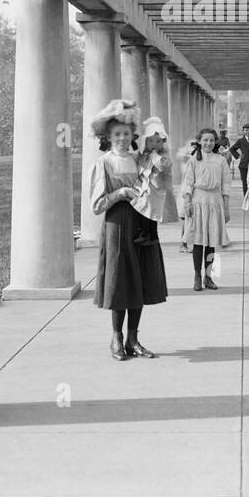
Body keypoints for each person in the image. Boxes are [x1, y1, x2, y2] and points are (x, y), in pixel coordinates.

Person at [89, 99, 167, 361]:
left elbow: (159, 173)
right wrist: (120, 192)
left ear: (133, 136)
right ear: (108, 137)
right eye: (117, 135)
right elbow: (97, 205)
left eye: (126, 134)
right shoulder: (104, 163)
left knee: (140, 280)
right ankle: (116, 337)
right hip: (118, 224)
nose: (122, 139)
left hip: (141, 222)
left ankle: (134, 338)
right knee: (120, 280)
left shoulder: (139, 158)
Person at [180, 127, 232, 291]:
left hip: (215, 201)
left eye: (211, 140)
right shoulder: (194, 160)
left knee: (212, 242)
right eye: (205, 140)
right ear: (200, 142)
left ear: (215, 142)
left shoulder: (221, 160)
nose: (208, 143)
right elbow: (188, 183)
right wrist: (187, 203)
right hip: (198, 201)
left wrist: (226, 207)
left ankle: (209, 276)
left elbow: (226, 185)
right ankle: (196, 275)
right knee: (198, 242)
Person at [132, 116, 180, 229]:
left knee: (152, 219)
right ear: (145, 141)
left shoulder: (163, 156)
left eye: (158, 141)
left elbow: (163, 167)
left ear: (163, 142)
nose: (154, 144)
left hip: (158, 192)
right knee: (142, 218)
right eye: (150, 141)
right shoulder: (142, 156)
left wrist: (154, 156)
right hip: (143, 192)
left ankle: (150, 240)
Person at [228, 121, 249, 194]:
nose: (248, 132)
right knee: (245, 182)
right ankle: (246, 198)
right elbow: (232, 149)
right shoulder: (240, 141)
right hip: (244, 165)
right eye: (246, 130)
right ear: (243, 131)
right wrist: (239, 156)